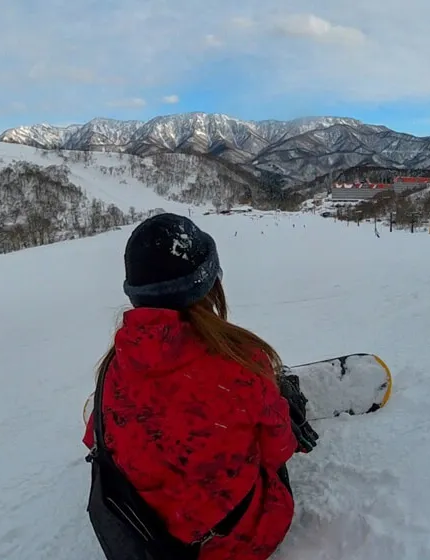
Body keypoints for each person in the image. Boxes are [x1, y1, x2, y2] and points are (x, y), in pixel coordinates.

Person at [82, 212, 319, 560]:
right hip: (240, 541)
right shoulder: (243, 362)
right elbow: (278, 450)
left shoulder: (115, 368)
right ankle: (278, 398)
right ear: (208, 284)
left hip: (150, 543)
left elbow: (94, 439)